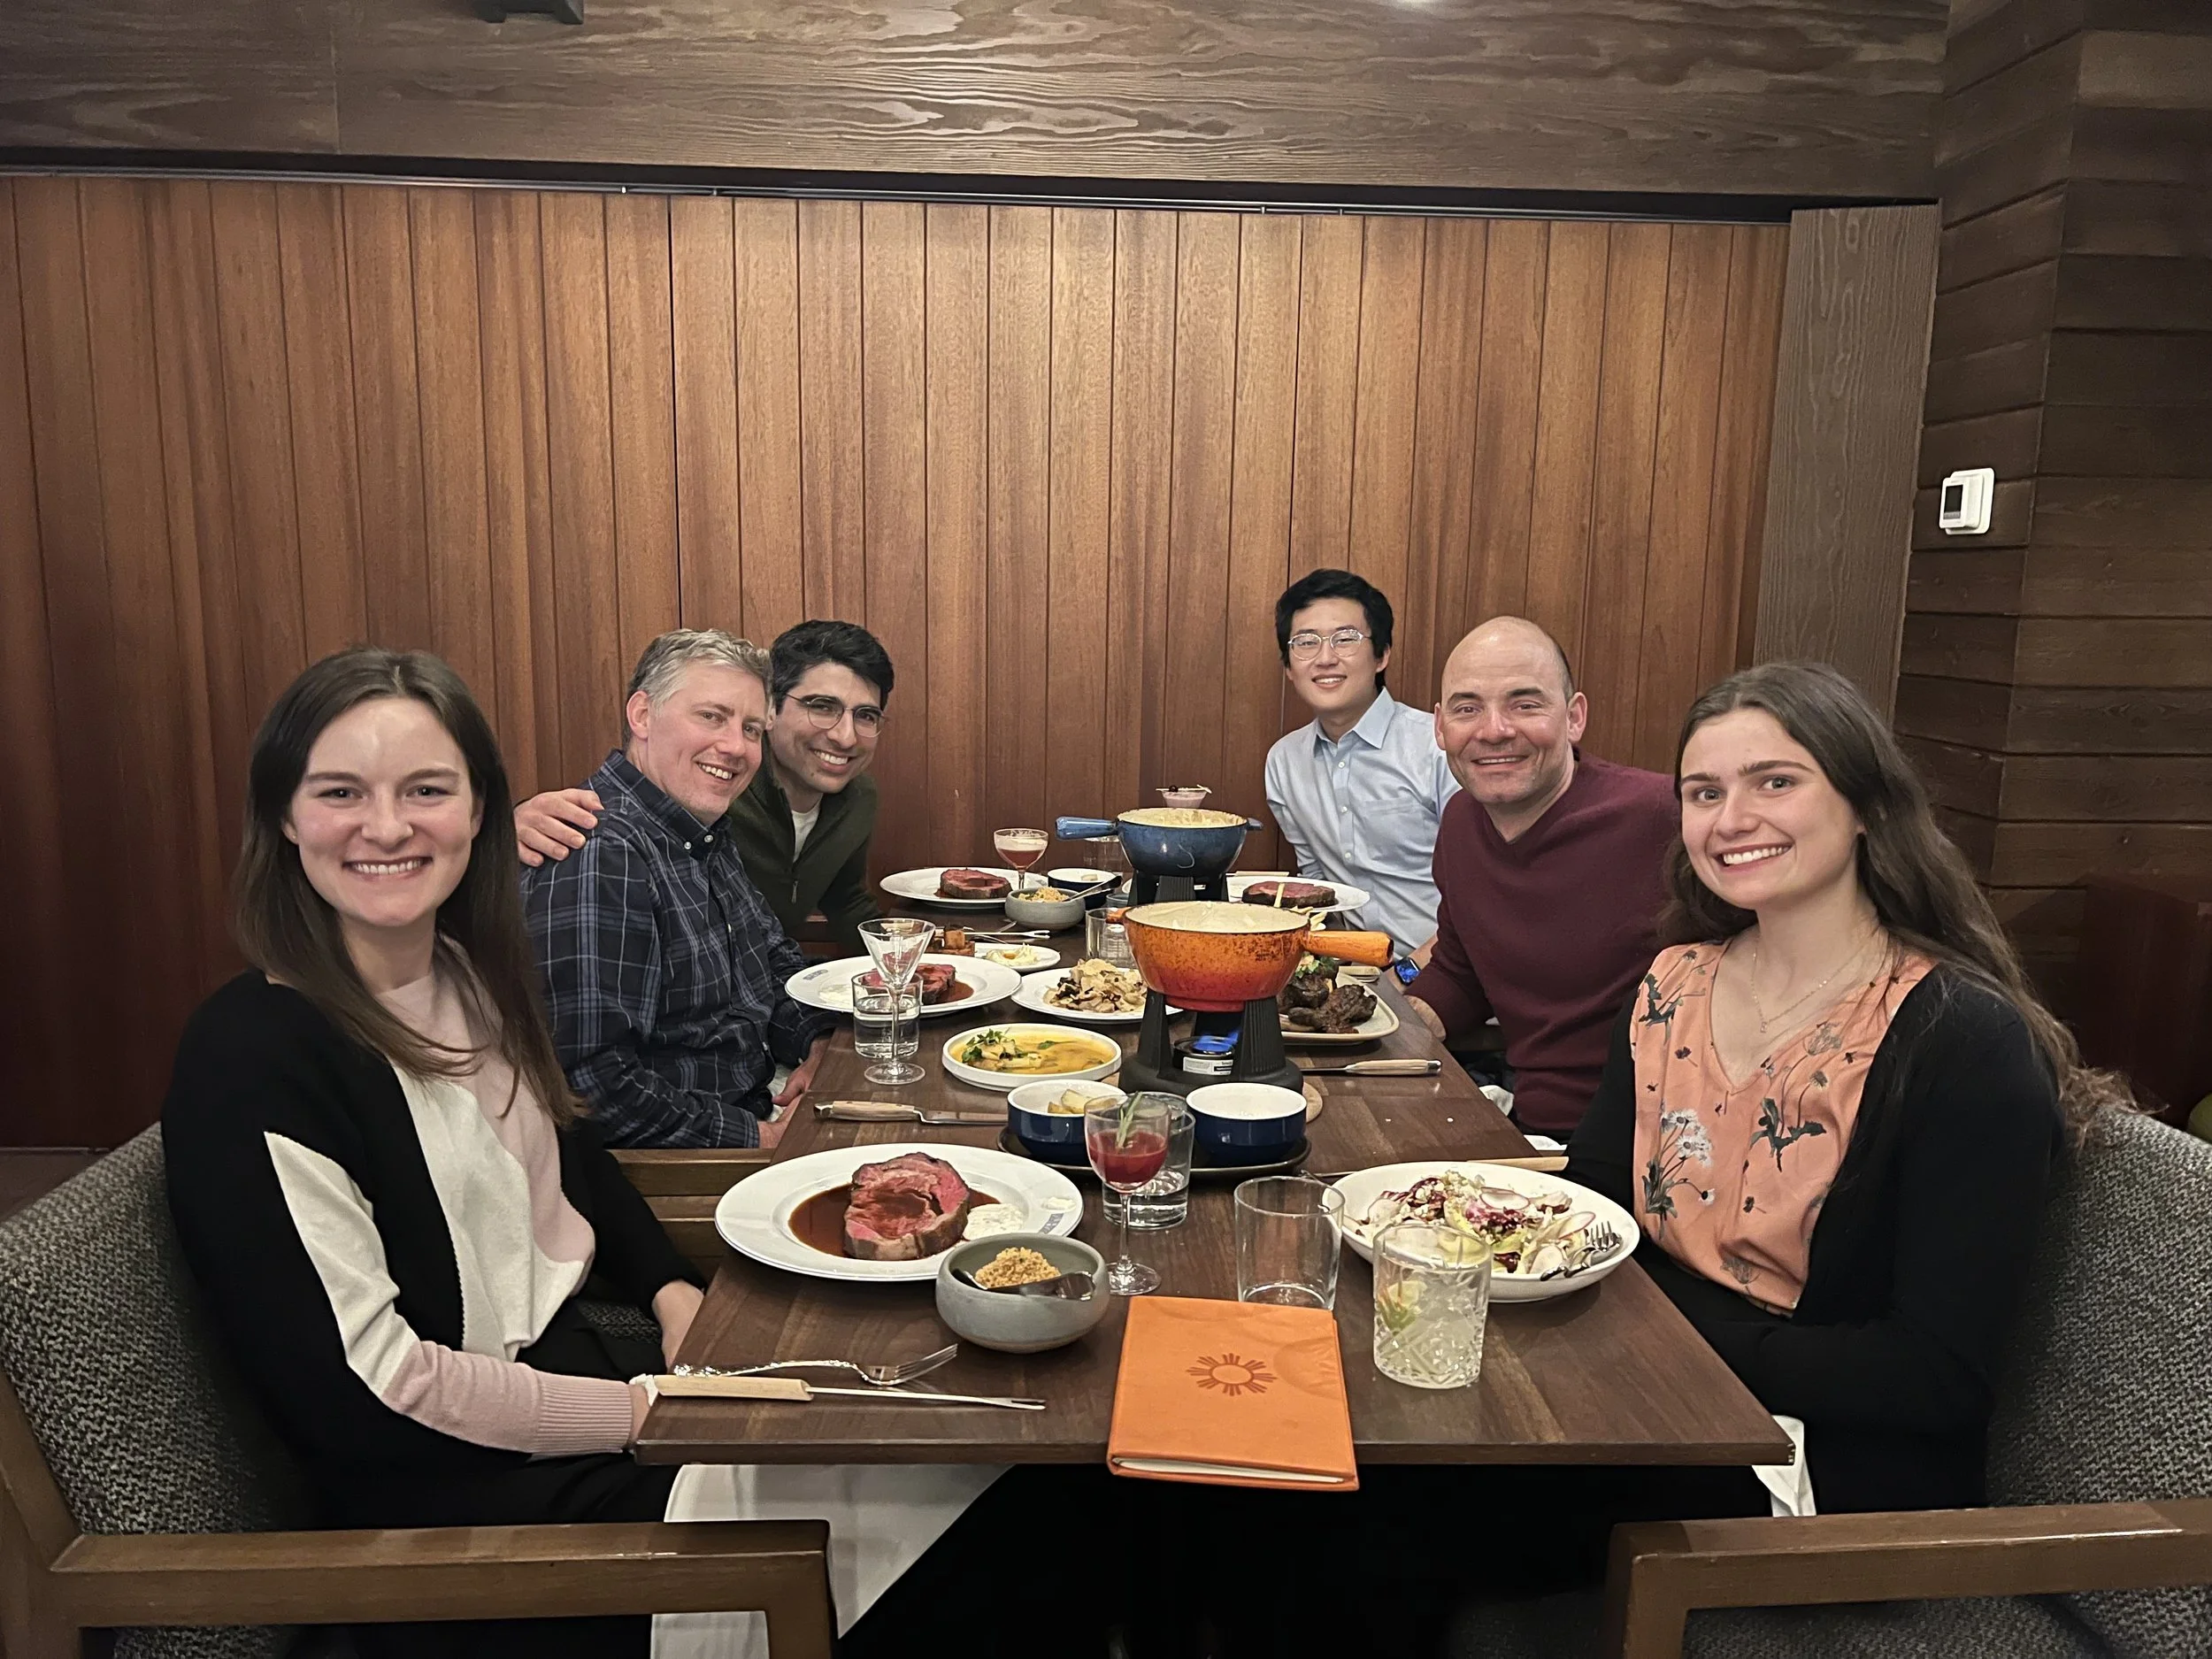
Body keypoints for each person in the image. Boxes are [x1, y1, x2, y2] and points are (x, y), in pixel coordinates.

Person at [160, 646, 1064, 1659]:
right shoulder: (254, 1057)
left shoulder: (458, 971)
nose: (387, 826)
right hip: (473, 1530)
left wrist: (672, 1293)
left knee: (992, 1456)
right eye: (340, 792)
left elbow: (570, 1140)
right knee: (993, 1529)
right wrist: (652, 1410)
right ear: (283, 815)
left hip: (589, 1397)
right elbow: (378, 1396)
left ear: (479, 814)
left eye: (427, 790)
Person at [521, 630, 833, 1149]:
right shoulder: (600, 849)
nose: (735, 747)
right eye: (711, 716)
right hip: (673, 1172)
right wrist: (763, 1137)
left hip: (756, 1102)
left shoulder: (695, 826)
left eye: (752, 728)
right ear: (641, 715)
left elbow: (772, 961)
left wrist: (816, 1042)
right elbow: (594, 1088)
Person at [1404, 616, 1677, 1137]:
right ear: (1440, 728)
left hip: (1653, 1143)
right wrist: (1376, 1026)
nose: (1493, 730)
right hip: (1532, 1132)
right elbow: (1461, 974)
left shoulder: (1664, 816)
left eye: (1525, 704)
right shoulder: (1462, 822)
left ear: (1574, 717)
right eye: (1467, 708)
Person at [518, 620, 894, 954]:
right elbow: (607, 820)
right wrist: (504, 832)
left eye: (865, 715)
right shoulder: (714, 791)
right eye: (822, 706)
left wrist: (917, 965)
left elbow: (842, 899)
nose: (845, 737)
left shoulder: (857, 800)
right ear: (772, 712)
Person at [1262, 568, 1458, 958]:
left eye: (1345, 639)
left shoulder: (1438, 748)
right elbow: (1318, 887)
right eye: (1305, 642)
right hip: (1352, 970)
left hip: (1451, 976)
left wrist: (1408, 979)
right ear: (1288, 667)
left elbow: (1483, 896)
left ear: (1382, 654)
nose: (1325, 658)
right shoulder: (1284, 763)